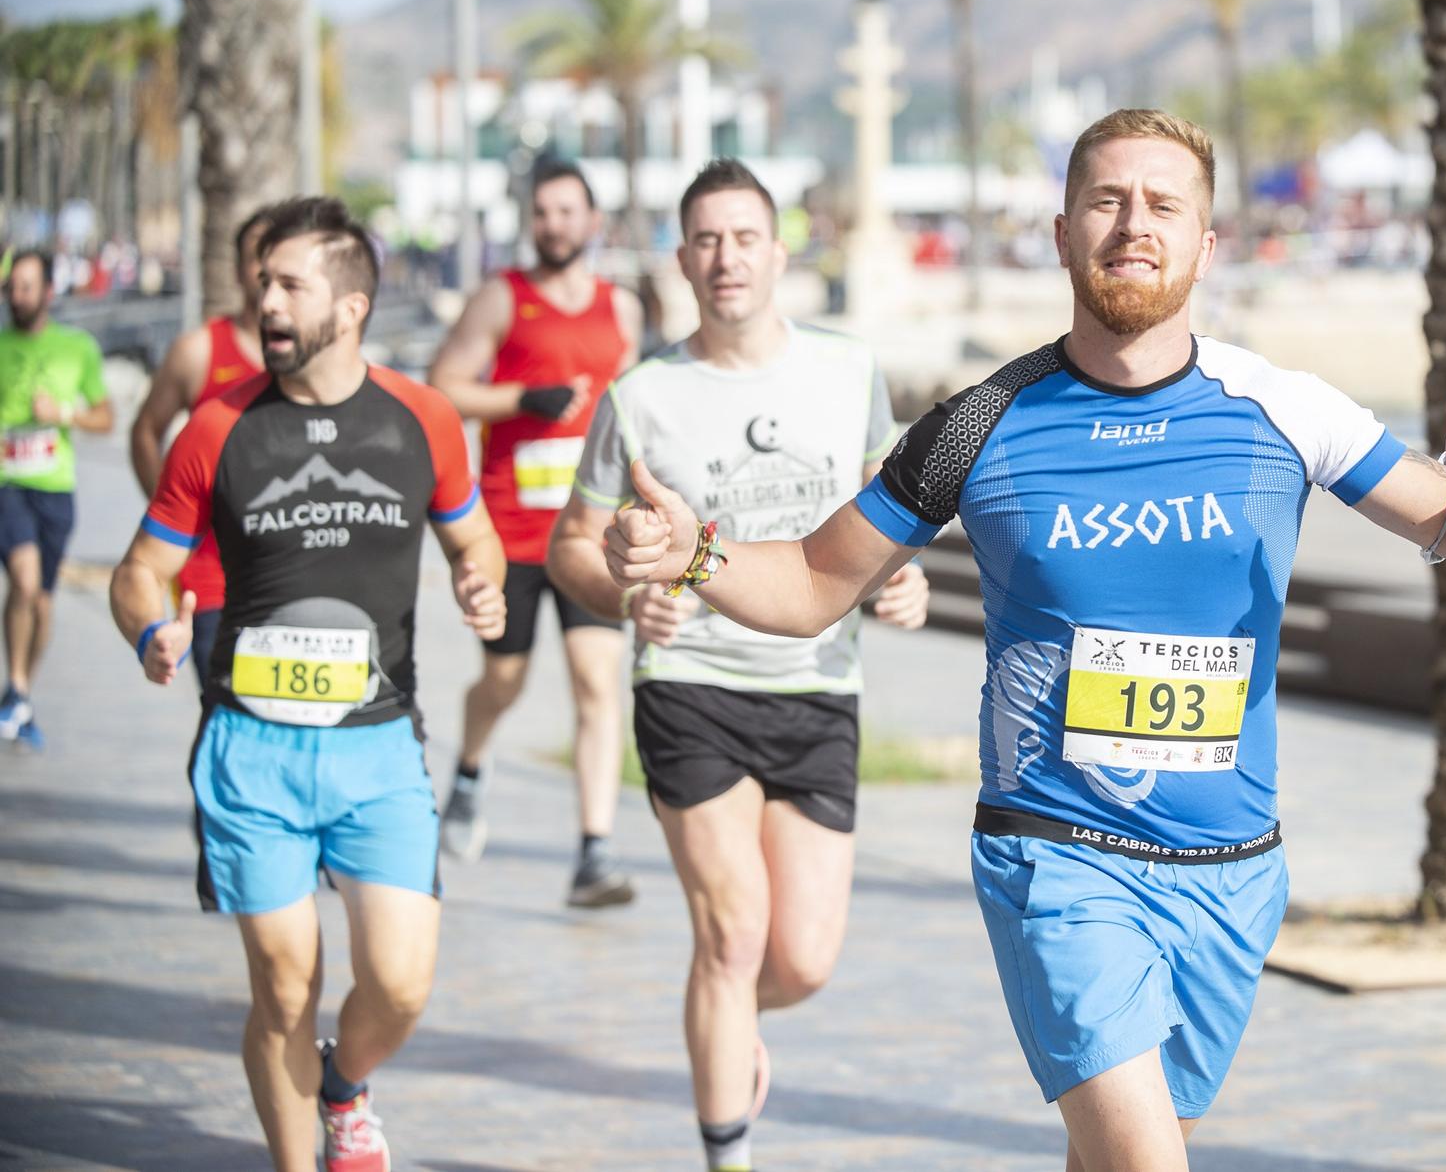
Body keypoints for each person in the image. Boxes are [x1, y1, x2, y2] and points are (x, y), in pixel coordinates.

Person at [599, 111, 1446, 1171]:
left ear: (1205, 243)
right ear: (1060, 235)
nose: (1132, 225)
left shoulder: (1282, 407)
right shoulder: (977, 422)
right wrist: (695, 552)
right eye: (1105, 200)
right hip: (1056, 855)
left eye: (1162, 205)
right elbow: (818, 580)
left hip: (1231, 871)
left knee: (1110, 1156)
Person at [546, 157, 929, 1172]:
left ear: (778, 249)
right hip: (690, 688)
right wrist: (630, 588)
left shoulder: (848, 371)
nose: (726, 257)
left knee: (797, 957)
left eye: (744, 236)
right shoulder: (641, 395)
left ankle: (723, 1019)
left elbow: (883, 518)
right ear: (681, 259)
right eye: (706, 240)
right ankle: (728, 1148)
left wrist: (899, 580)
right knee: (730, 932)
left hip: (816, 686)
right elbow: (569, 547)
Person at [109, 196, 508, 1172]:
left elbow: (473, 533)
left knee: (402, 983)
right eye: (262, 284)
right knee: (284, 987)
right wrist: (149, 629)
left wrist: (479, 579)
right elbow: (136, 569)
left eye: (291, 284)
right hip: (253, 747)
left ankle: (345, 1082)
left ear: (353, 303)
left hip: (379, 747)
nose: (268, 302)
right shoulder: (216, 426)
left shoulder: (423, 419)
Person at [425, 161, 644, 905]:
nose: (554, 223)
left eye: (567, 210)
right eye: (542, 212)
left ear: (591, 220)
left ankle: (593, 853)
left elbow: (639, 407)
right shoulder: (502, 298)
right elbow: (443, 384)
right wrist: (523, 396)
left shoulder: (623, 309)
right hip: (511, 532)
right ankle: (469, 769)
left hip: (588, 532)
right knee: (505, 679)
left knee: (595, 681)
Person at [129, 208, 274, 694]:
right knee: (227, 706)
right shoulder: (199, 350)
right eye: (256, 256)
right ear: (237, 270)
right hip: (210, 580)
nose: (266, 271)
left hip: (289, 578)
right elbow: (146, 430)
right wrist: (178, 513)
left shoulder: (314, 365)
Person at [0, 248, 114, 749]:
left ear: (49, 291)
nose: (16, 296)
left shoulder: (78, 348)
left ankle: (21, 690)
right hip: (8, 483)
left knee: (42, 600)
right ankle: (18, 689)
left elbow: (106, 418)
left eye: (27, 286)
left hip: (55, 487)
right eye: (11, 286)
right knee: (24, 582)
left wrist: (64, 413)